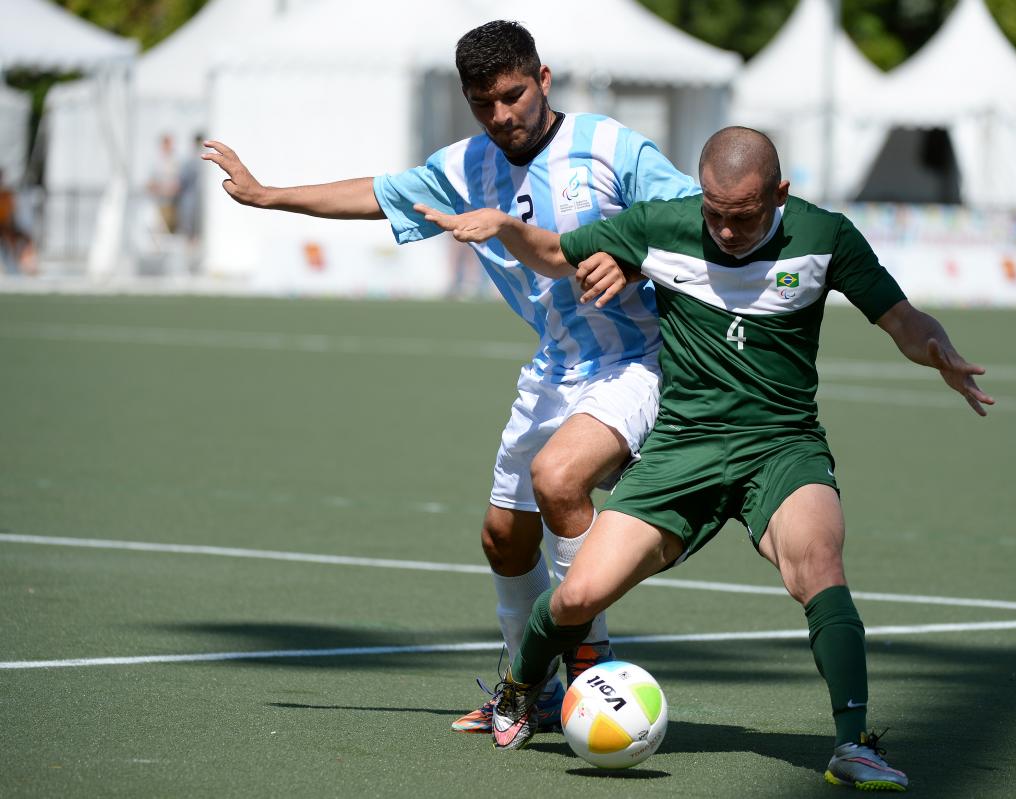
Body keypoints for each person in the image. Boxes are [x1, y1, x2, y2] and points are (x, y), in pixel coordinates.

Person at [418, 126, 993, 792]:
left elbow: (901, 318)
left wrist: (938, 350)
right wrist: (504, 228)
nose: (722, 229)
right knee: (576, 593)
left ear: (780, 193)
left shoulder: (826, 236)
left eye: (741, 215)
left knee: (819, 563)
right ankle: (521, 685)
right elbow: (552, 253)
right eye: (712, 212)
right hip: (682, 450)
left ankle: (852, 742)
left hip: (782, 445)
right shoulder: (662, 225)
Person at [201, 20, 699, 732]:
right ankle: (530, 692)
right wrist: (270, 193)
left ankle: (592, 671)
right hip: (556, 364)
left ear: (544, 79)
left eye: (513, 95)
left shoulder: (611, 145)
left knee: (559, 479)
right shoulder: (468, 167)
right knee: (502, 537)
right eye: (483, 103)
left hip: (638, 358)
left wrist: (629, 250)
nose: (501, 116)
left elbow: (690, 214)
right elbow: (379, 193)